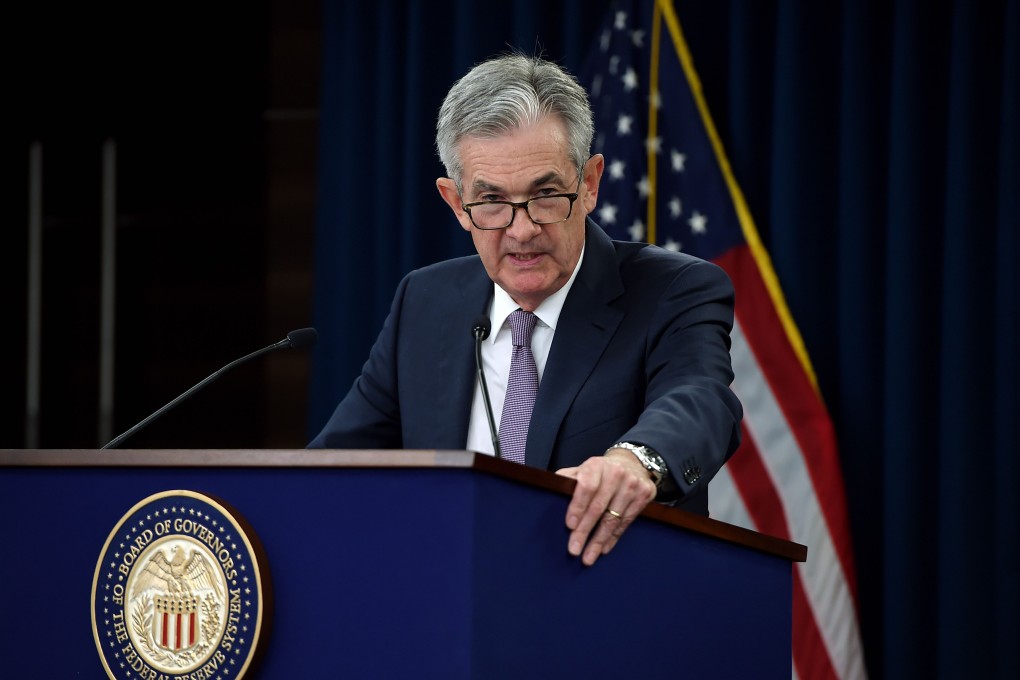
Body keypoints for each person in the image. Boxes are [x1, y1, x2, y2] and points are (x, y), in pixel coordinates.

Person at [309, 53, 742, 566]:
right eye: (491, 201)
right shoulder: (425, 301)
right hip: (447, 598)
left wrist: (634, 461)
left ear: (589, 184)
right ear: (456, 203)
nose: (522, 230)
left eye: (546, 194)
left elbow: (700, 400)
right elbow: (331, 468)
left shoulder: (674, 290)